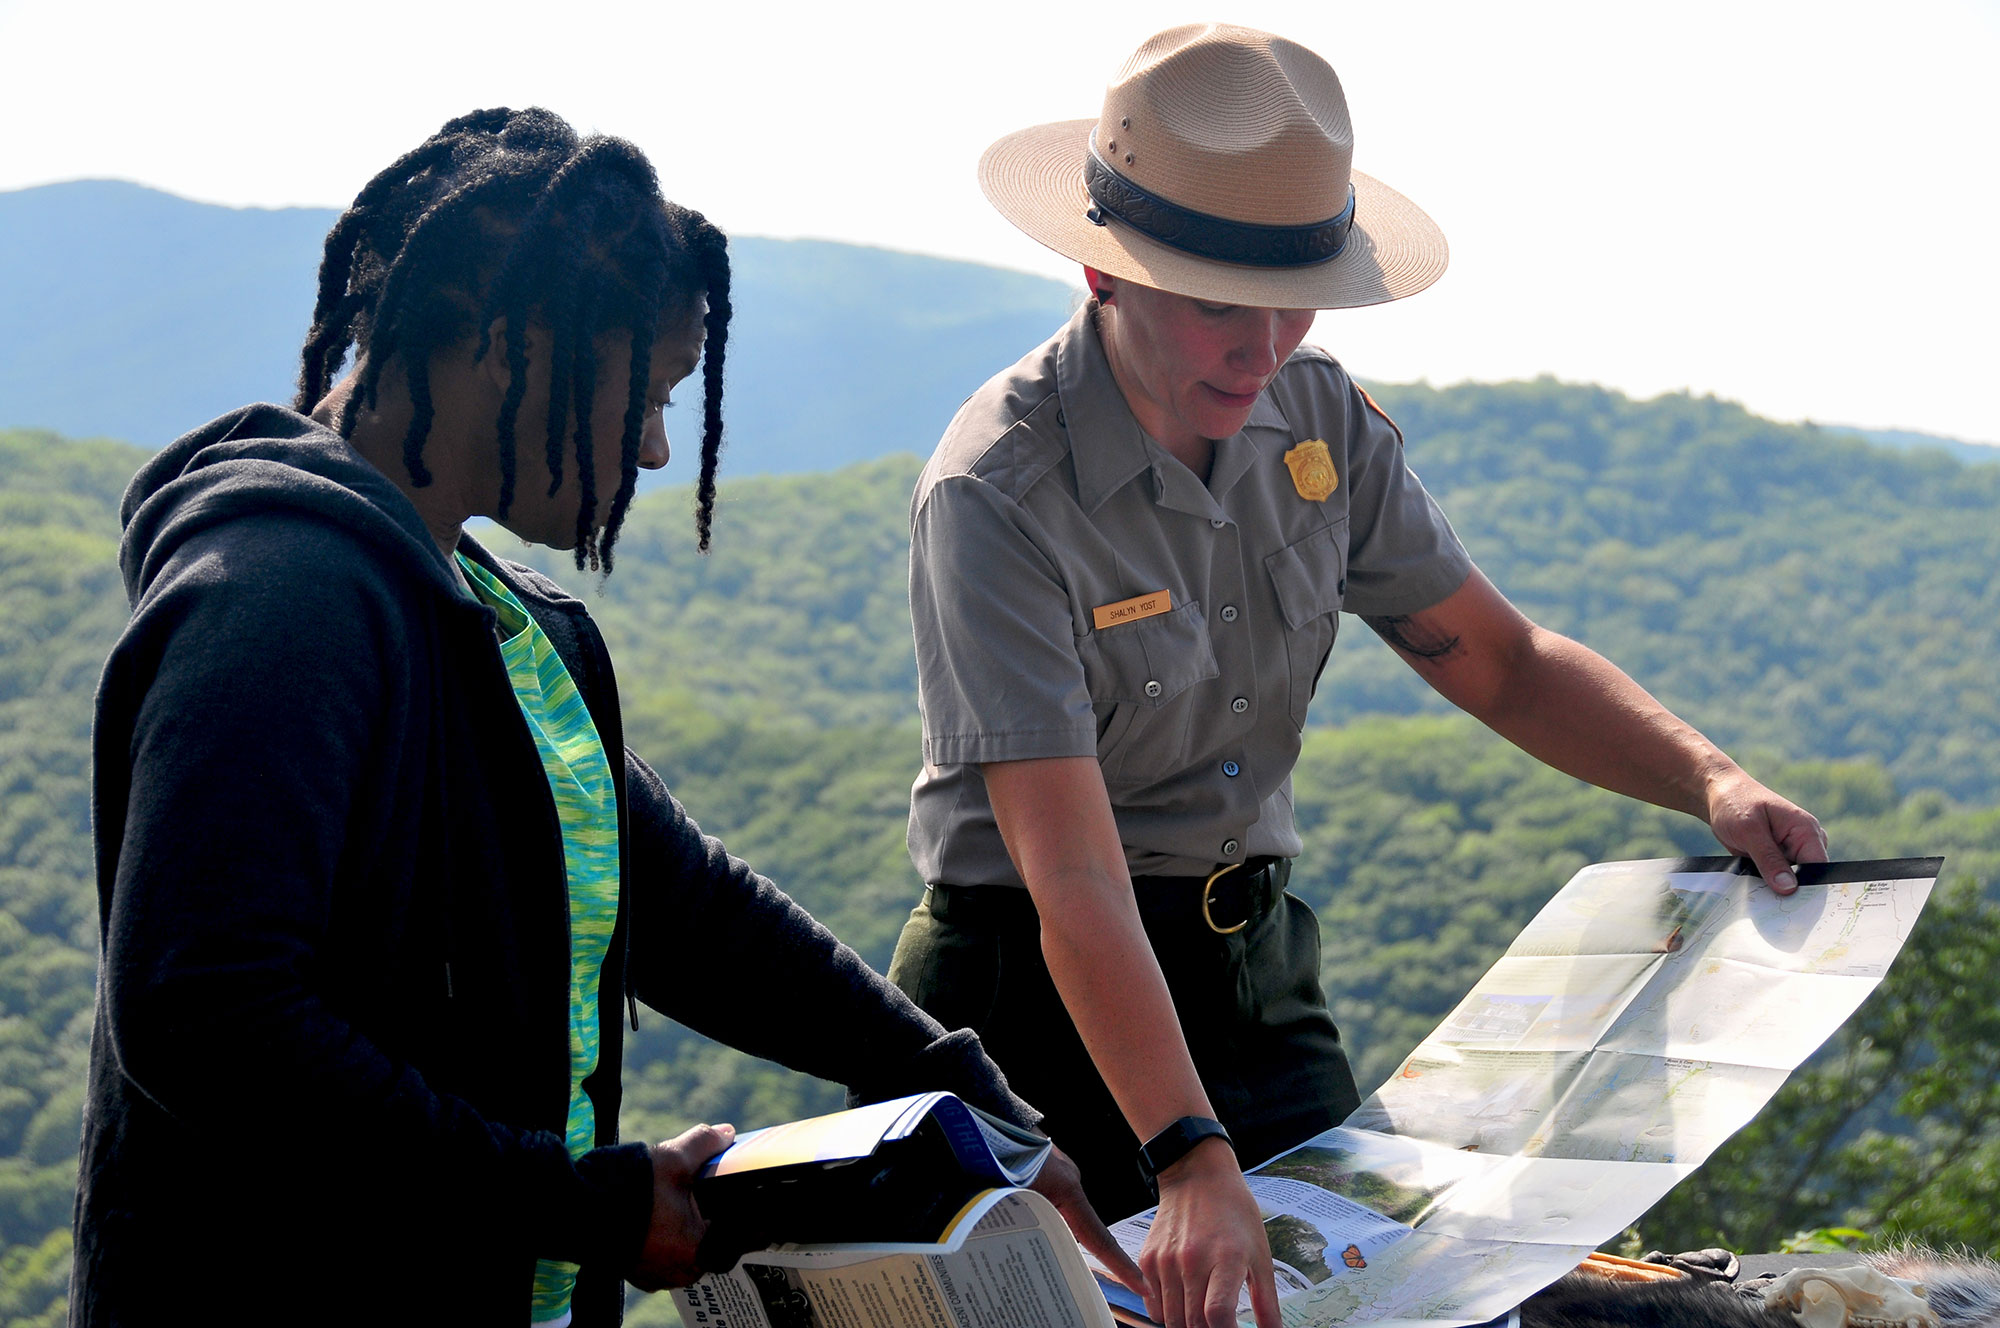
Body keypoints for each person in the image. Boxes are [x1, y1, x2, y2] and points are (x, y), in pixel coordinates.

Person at [72, 107, 1137, 1328]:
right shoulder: (277, 607)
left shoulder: (491, 613)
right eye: (646, 391)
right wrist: (573, 1199)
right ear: (504, 345)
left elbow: (683, 902)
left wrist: (950, 1083)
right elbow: (206, 1013)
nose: (651, 445)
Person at [885, 25, 1831, 1328]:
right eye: (1220, 301)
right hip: (1030, 1001)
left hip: (1255, 968)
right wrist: (1186, 1154)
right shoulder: (998, 493)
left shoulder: (1318, 418)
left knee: (1381, 1307)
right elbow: (1076, 879)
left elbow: (1500, 664)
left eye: (1296, 298)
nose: (1264, 346)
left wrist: (1710, 781)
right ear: (1105, 269)